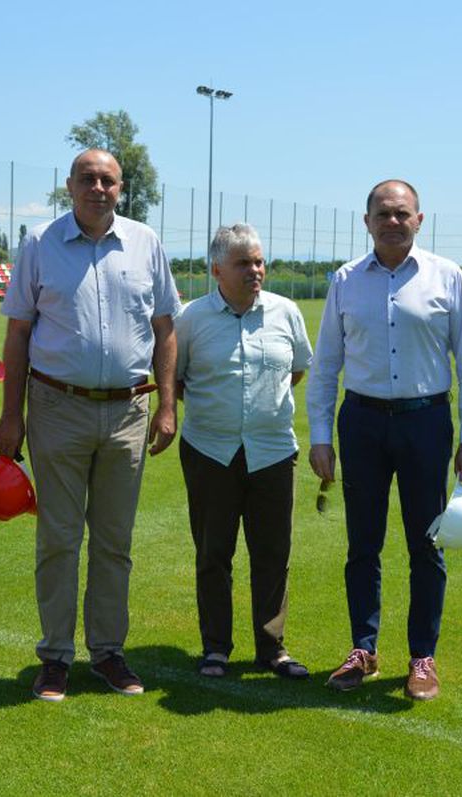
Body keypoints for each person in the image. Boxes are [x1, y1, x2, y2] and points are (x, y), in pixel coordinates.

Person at [0, 148, 180, 702]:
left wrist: (168, 406)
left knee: (114, 542)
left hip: (128, 411)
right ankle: (55, 657)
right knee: (59, 538)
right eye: (88, 179)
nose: (98, 188)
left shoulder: (145, 242)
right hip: (57, 407)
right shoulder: (39, 243)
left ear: (121, 188)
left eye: (108, 180)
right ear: (69, 185)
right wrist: (11, 415)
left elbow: (165, 329)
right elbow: (18, 333)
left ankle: (108, 653)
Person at [305, 180, 462, 701]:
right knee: (362, 544)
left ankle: (422, 657)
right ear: (366, 221)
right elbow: (326, 366)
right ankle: (362, 649)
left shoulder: (446, 276)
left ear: (419, 220)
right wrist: (320, 437)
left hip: (425, 423)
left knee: (426, 544)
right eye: (383, 214)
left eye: (402, 213)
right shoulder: (346, 280)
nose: (393, 221)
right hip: (361, 423)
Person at [175, 224, 313, 680]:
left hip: (272, 451)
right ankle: (216, 647)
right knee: (213, 554)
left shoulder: (286, 312)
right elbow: (176, 379)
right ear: (217, 270)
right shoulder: (191, 319)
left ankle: (272, 647)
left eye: (258, 261)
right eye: (243, 263)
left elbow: (296, 371)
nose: (255, 270)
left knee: (273, 553)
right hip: (209, 451)